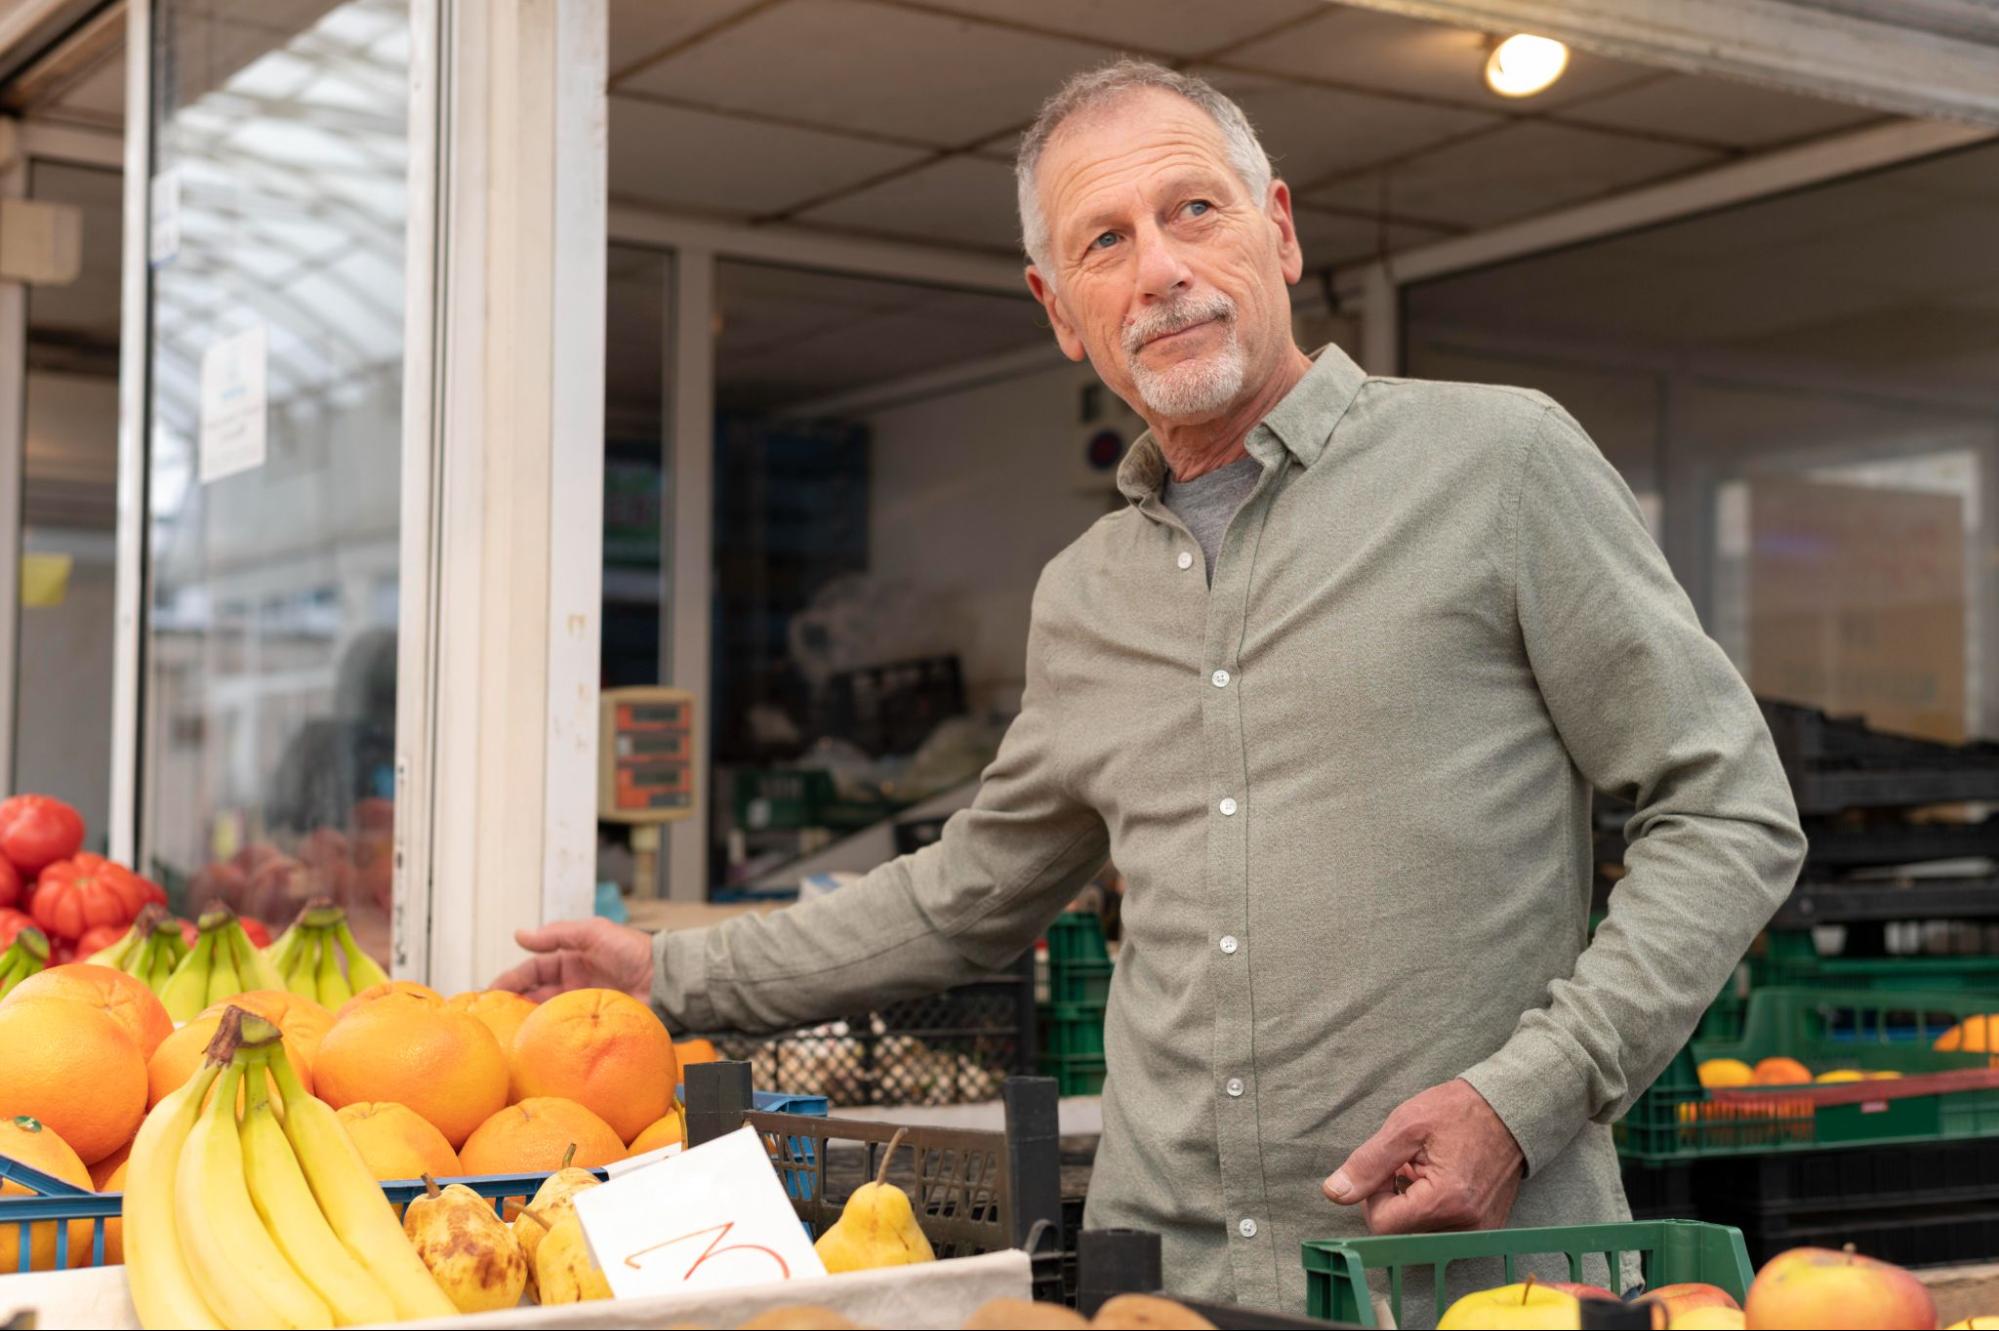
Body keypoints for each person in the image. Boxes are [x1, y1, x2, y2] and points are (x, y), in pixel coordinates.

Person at [495, 60, 1804, 1308]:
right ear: (1060, 309)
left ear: (1278, 232)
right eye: (1104, 242)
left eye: (1193, 210)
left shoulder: (1499, 463)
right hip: (1165, 1283)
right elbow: (965, 900)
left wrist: (1530, 1095)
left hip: (1466, 1281)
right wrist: (664, 972)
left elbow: (1728, 811)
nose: (1162, 269)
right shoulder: (1084, 596)